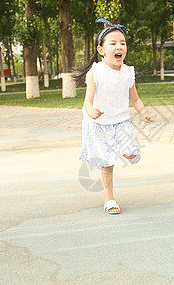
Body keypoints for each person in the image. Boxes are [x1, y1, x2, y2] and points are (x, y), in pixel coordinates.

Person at [75, 17, 154, 215]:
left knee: (132, 153)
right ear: (101, 50)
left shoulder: (128, 73)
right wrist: (92, 112)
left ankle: (120, 150)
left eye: (122, 43)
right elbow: (87, 101)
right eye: (113, 43)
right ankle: (109, 200)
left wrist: (144, 113)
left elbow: (135, 99)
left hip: (120, 122)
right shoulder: (96, 72)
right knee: (107, 163)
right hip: (99, 123)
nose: (119, 47)